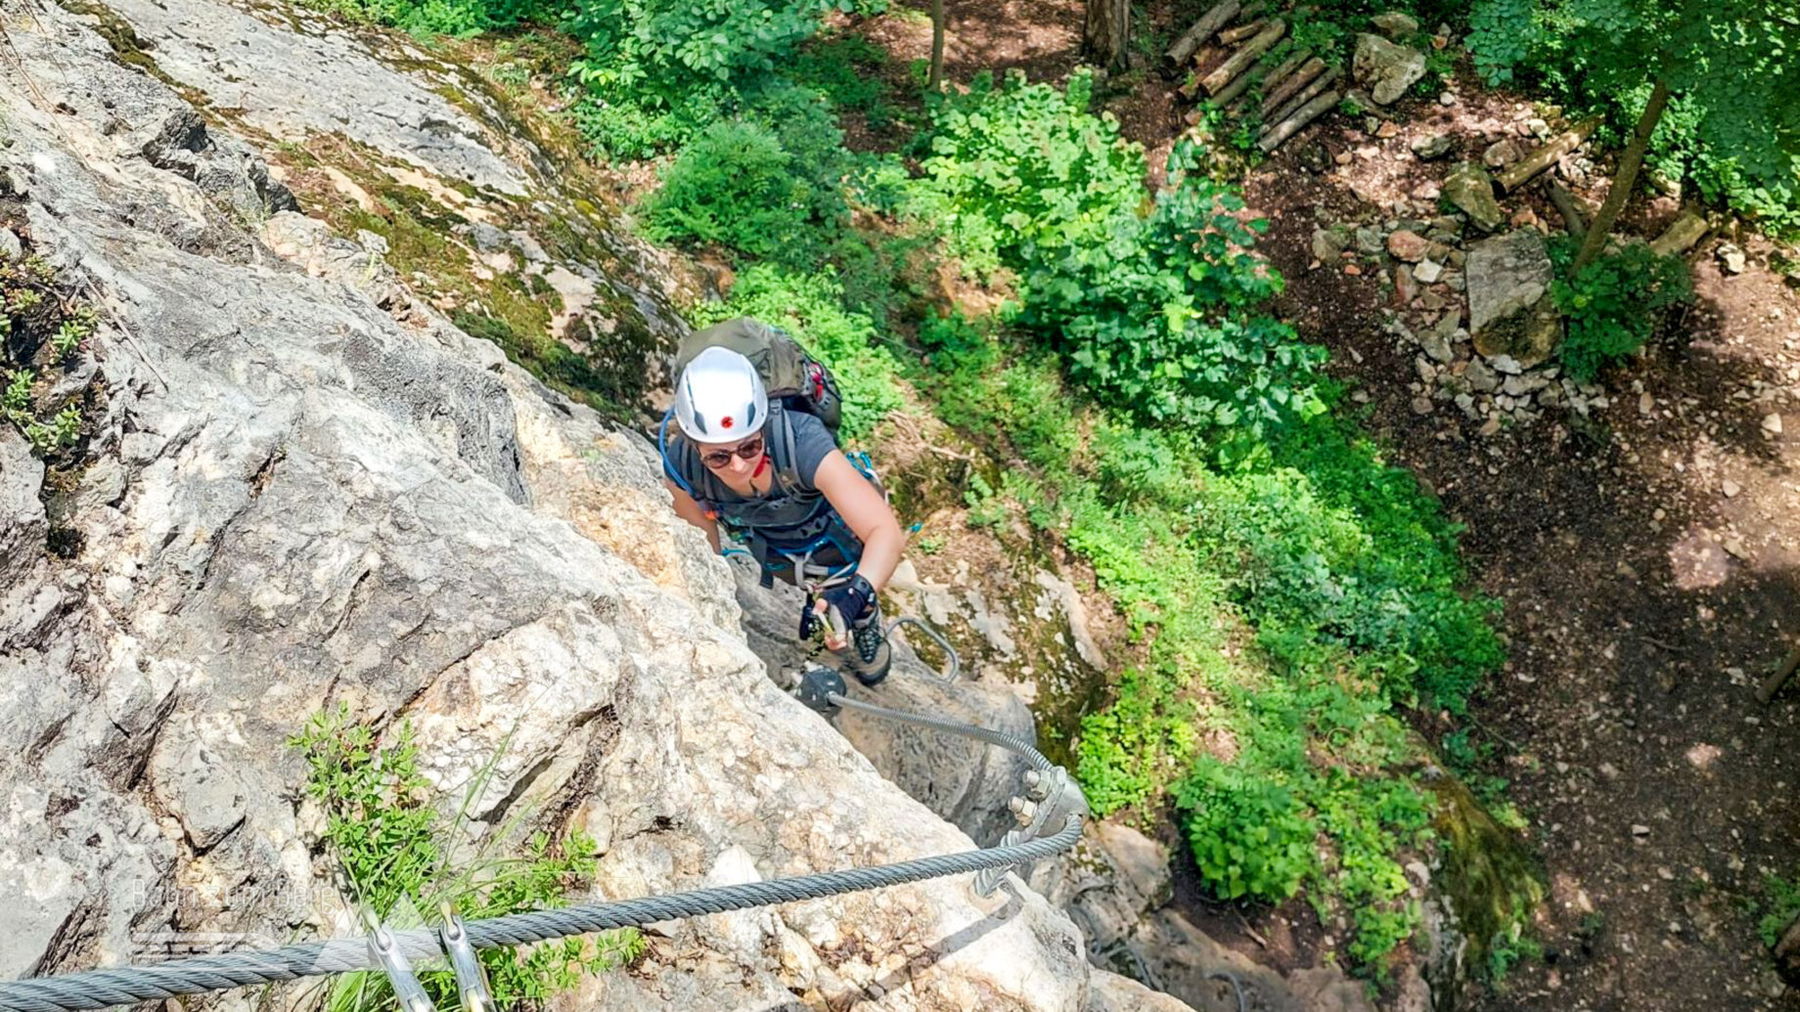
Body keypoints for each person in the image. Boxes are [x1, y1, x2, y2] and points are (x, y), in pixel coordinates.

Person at [661, 343, 904, 685]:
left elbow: (885, 532)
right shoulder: (683, 464)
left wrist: (854, 597)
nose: (739, 465)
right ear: (693, 444)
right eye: (718, 457)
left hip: (836, 539)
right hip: (774, 548)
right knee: (814, 587)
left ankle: (864, 619)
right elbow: (703, 552)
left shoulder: (800, 440)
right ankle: (821, 600)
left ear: (762, 426)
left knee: (849, 591)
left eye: (749, 446)